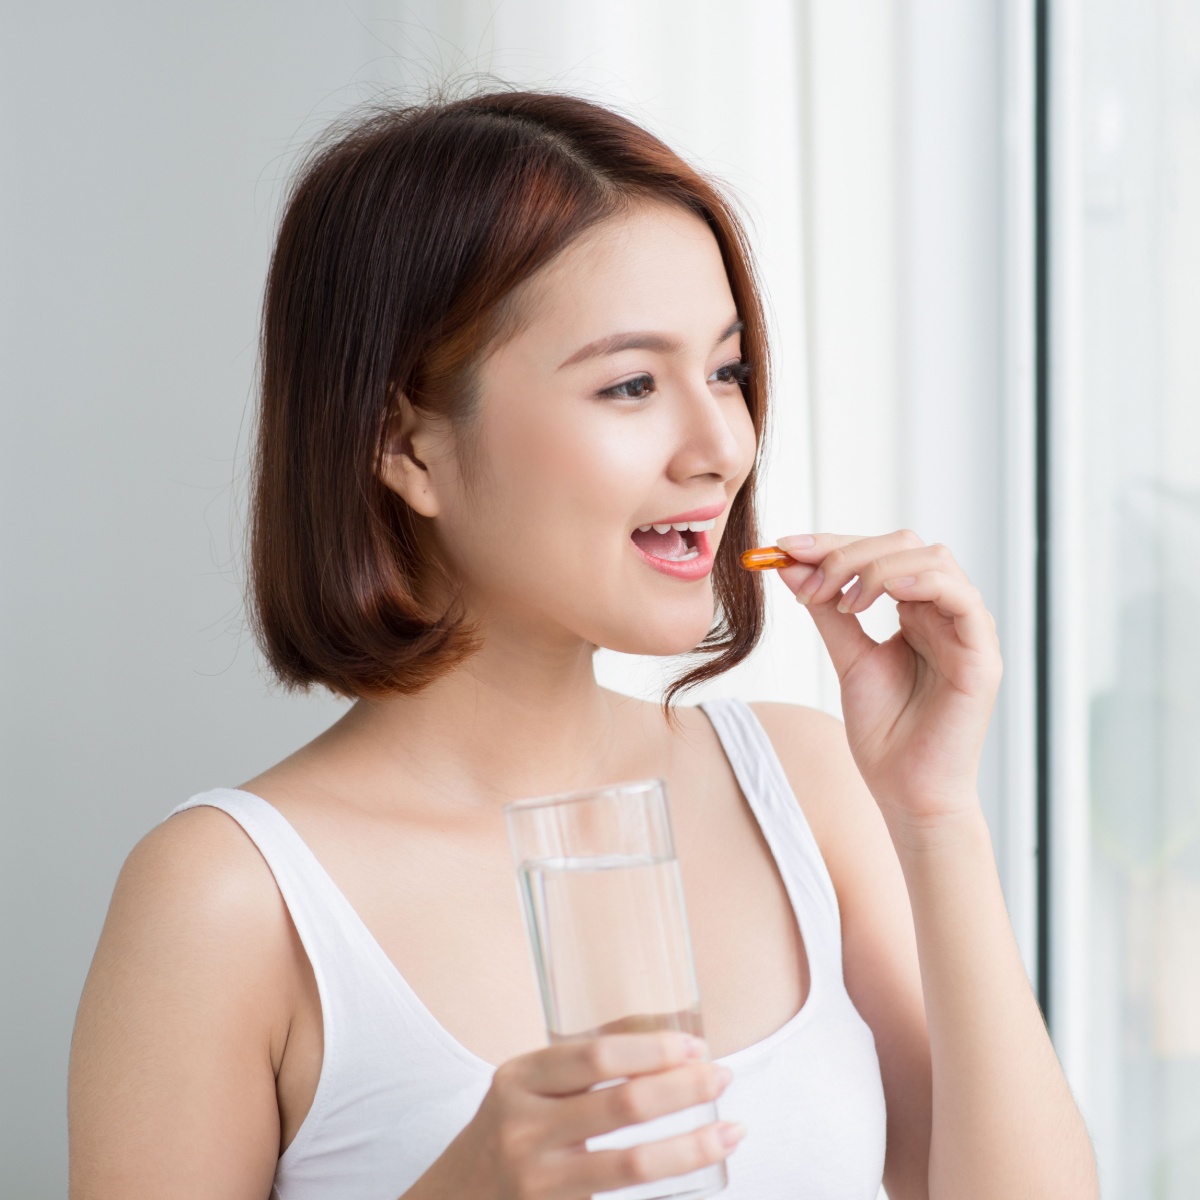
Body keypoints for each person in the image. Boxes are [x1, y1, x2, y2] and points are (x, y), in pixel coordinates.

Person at [67, 88, 1098, 1200]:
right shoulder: (230, 898)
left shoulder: (806, 783)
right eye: (630, 384)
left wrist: (936, 815)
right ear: (406, 444)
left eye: (727, 371)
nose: (722, 448)